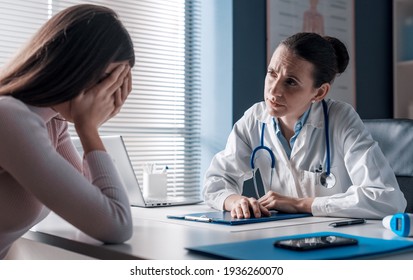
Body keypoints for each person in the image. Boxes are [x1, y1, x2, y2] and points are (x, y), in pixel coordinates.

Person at [203, 32, 407, 220]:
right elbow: (216, 182)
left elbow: (388, 200)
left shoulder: (340, 118)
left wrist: (301, 204)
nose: (273, 91)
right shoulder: (254, 119)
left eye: (290, 82)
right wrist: (235, 201)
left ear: (319, 93)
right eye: (272, 73)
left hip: (334, 238)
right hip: (279, 235)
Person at [0, 4, 135, 259]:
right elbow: (116, 224)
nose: (110, 93)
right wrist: (88, 128)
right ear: (73, 64)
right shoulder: (9, 117)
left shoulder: (52, 122)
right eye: (107, 79)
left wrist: (89, 126)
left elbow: (91, 202)